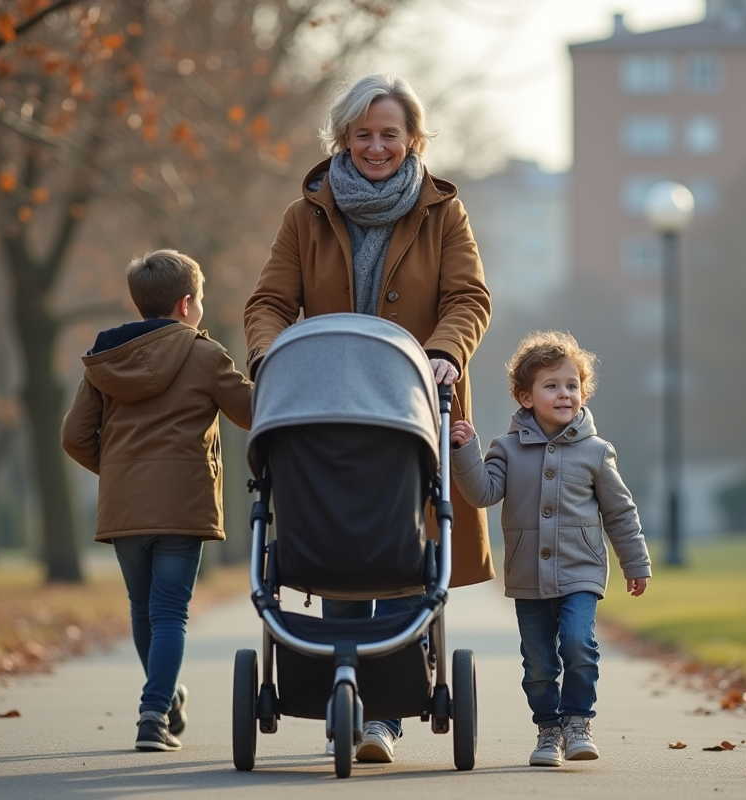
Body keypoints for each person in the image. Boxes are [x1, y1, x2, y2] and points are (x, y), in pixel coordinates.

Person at [243, 73, 494, 763]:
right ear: (343, 140)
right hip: (324, 406)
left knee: (404, 548)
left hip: (411, 405)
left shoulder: (445, 211)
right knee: (336, 540)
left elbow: (468, 296)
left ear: (412, 139)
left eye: (390, 134)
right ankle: (347, 697)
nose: (377, 146)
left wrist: (444, 353)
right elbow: (268, 302)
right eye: (364, 135)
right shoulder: (307, 214)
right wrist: (270, 356)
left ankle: (383, 714)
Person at [61, 249, 253, 752]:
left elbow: (75, 436)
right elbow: (251, 412)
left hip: (125, 507)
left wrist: (123, 473)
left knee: (145, 610)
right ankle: (153, 716)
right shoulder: (205, 355)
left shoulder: (104, 361)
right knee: (170, 612)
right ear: (187, 304)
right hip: (183, 504)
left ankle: (163, 699)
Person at [448, 331, 652, 768]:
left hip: (582, 570)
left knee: (579, 643)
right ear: (525, 397)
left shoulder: (596, 452)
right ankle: (548, 730)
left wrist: (635, 563)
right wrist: (466, 450)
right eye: (551, 385)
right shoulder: (506, 449)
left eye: (572, 385)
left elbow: (620, 512)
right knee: (539, 664)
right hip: (527, 576)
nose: (565, 394)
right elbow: (482, 493)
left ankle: (578, 721)